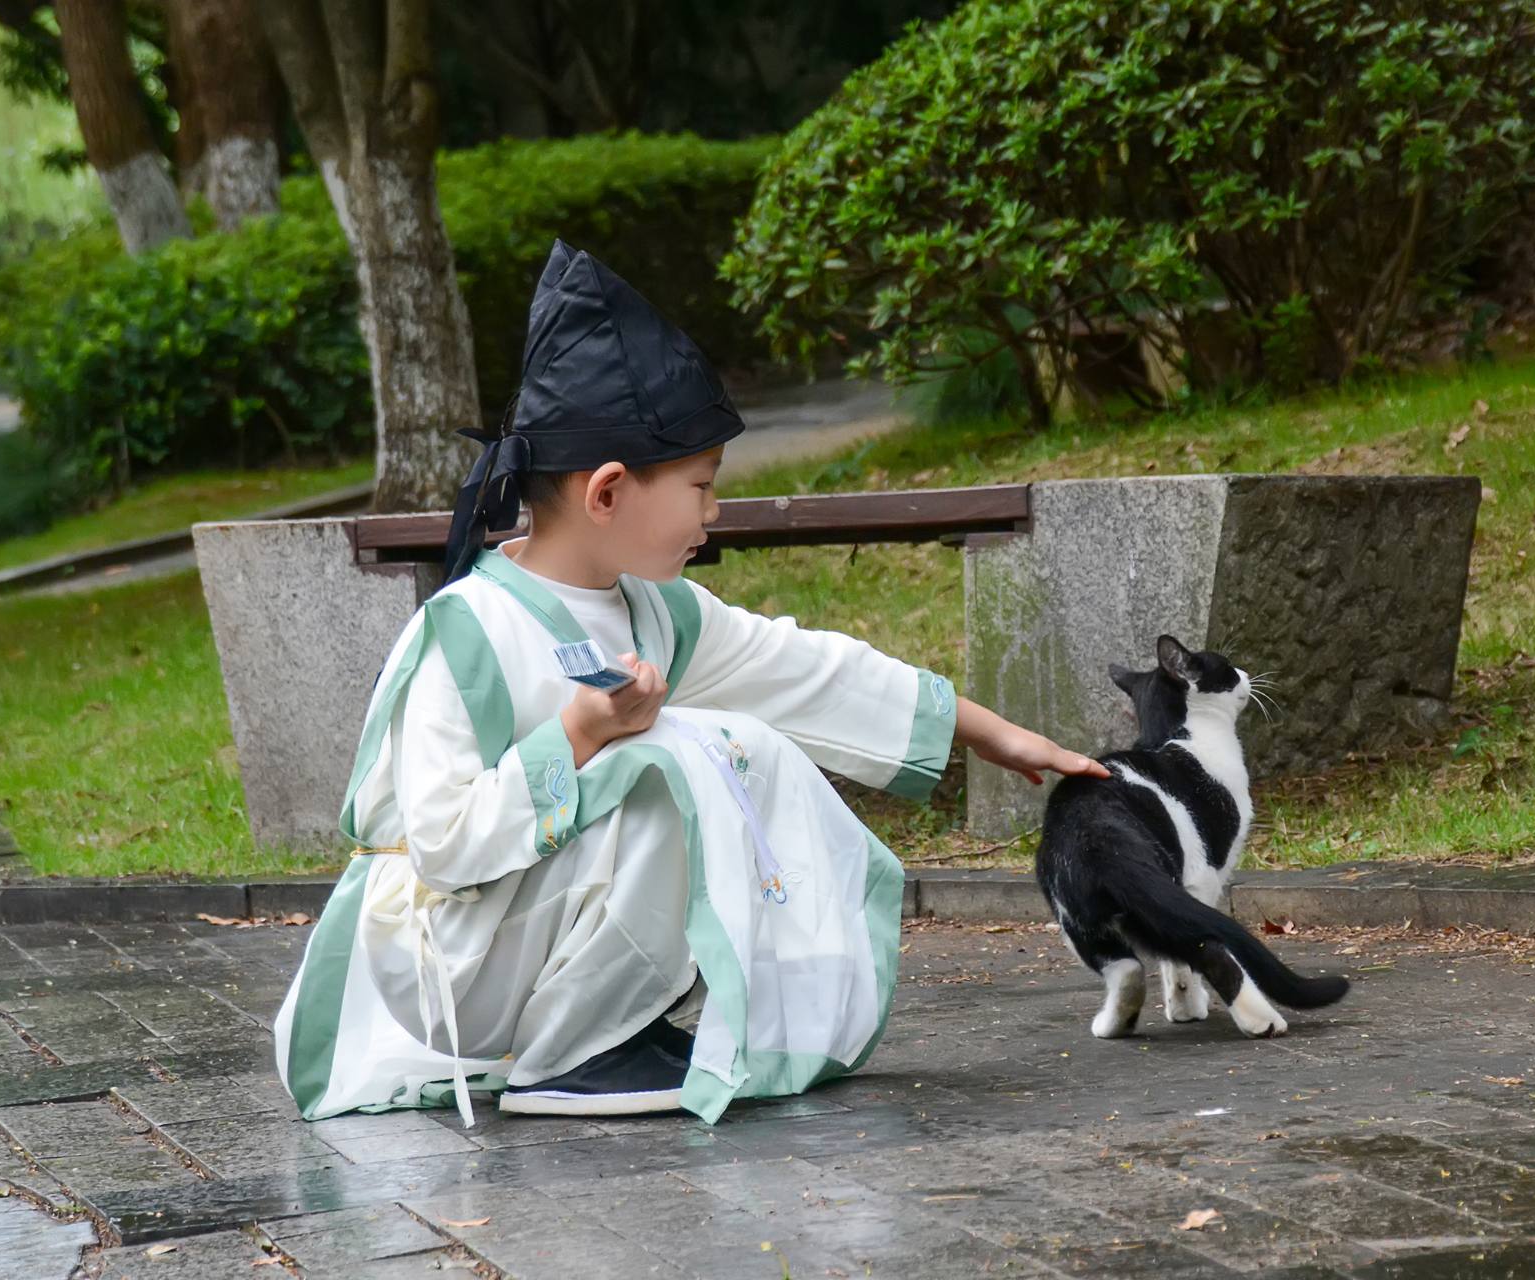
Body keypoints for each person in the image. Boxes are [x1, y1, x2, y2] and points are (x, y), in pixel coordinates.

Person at [274, 240, 1107, 1125]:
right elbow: (443, 848)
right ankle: (570, 1053)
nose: (713, 516)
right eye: (702, 487)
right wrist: (580, 735)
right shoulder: (465, 634)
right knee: (680, 752)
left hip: (515, 928)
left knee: (726, 744)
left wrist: (992, 733)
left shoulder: (658, 610)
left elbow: (807, 671)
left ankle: (606, 1026)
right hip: (443, 954)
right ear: (607, 491)